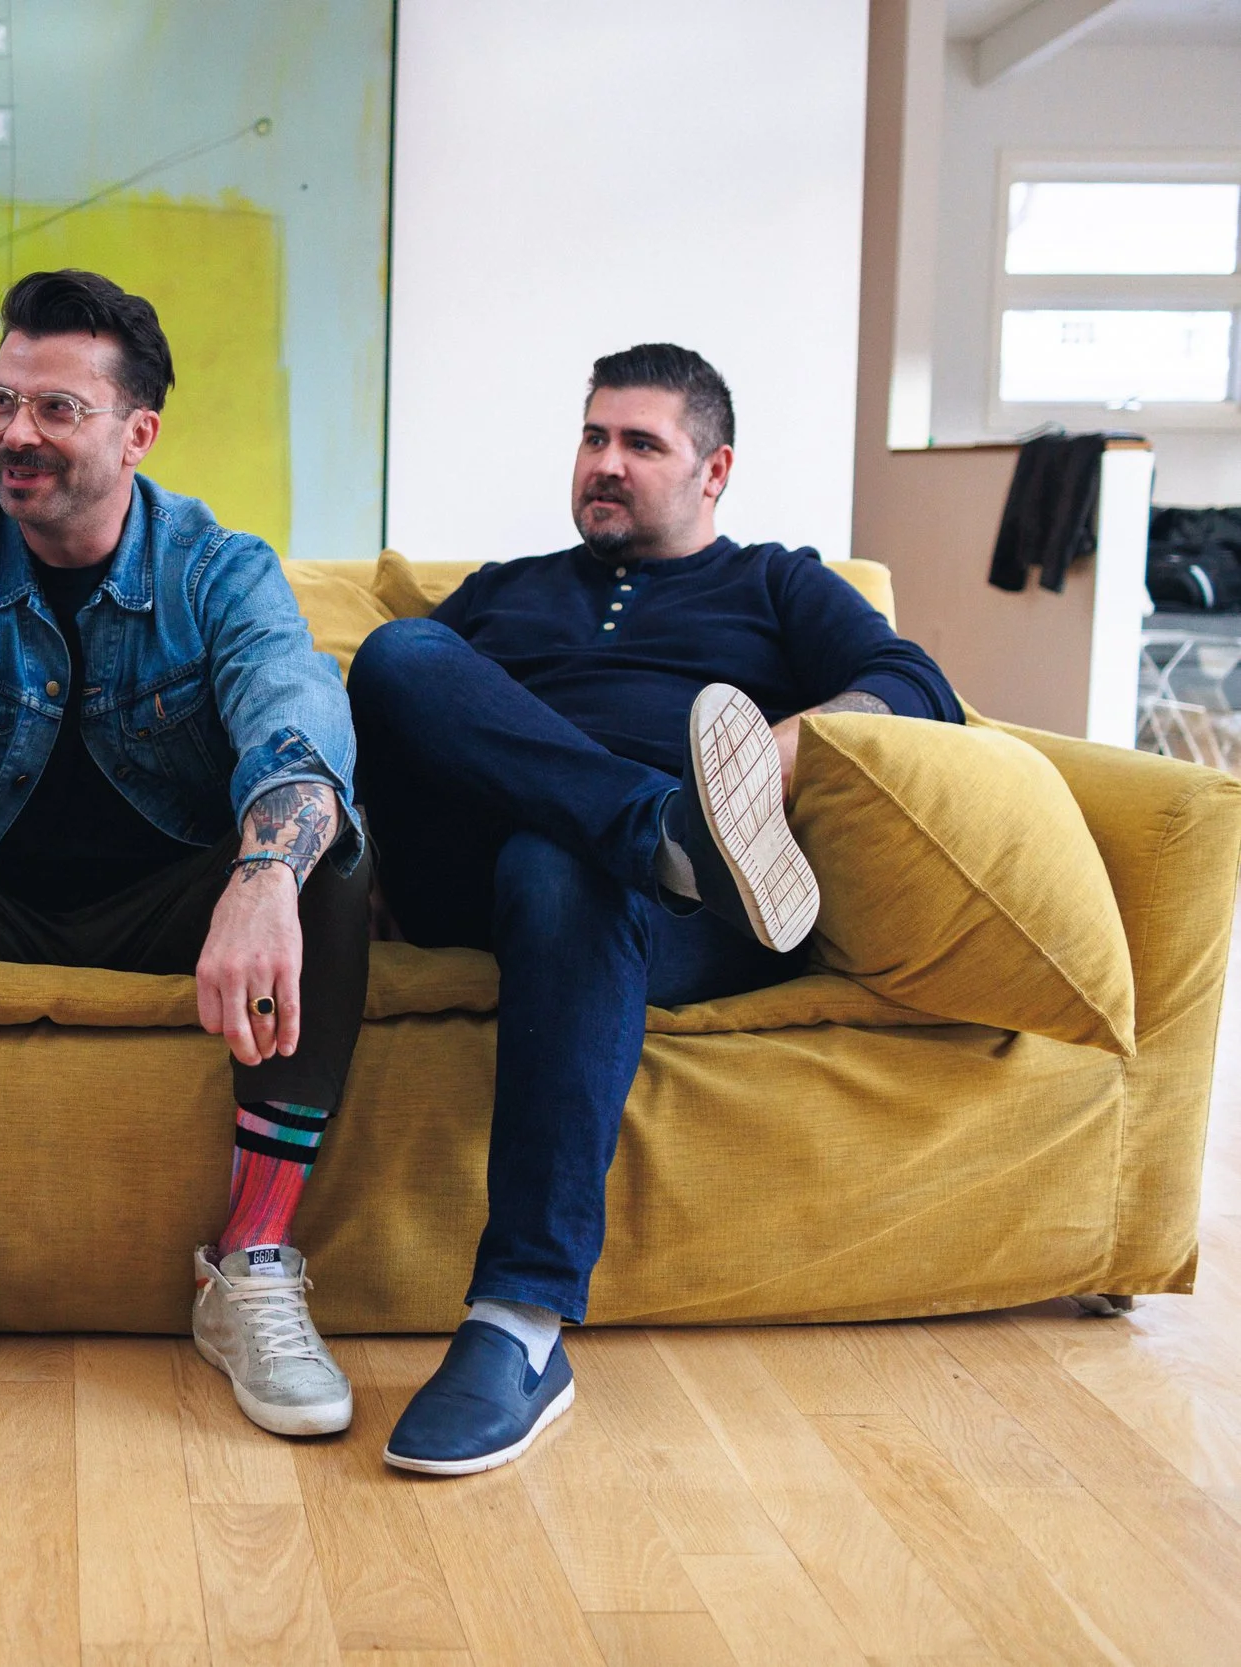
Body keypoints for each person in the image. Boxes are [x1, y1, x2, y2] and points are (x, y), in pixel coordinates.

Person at [348, 343, 964, 1475]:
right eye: (594, 437)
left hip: (683, 914)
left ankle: (518, 1326)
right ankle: (653, 825)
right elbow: (393, 720)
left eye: (641, 443)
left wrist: (774, 753)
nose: (606, 463)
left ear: (713, 470)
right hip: (475, 877)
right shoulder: (508, 589)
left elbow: (920, 689)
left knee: (562, 863)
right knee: (398, 654)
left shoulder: (776, 584)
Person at [0, 269, 371, 1441]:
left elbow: (295, 719)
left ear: (136, 433)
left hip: (169, 898)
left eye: (56, 407)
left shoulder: (218, 565)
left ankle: (251, 1262)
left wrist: (264, 875)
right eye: (1, 401)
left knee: (328, 851)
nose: (14, 434)